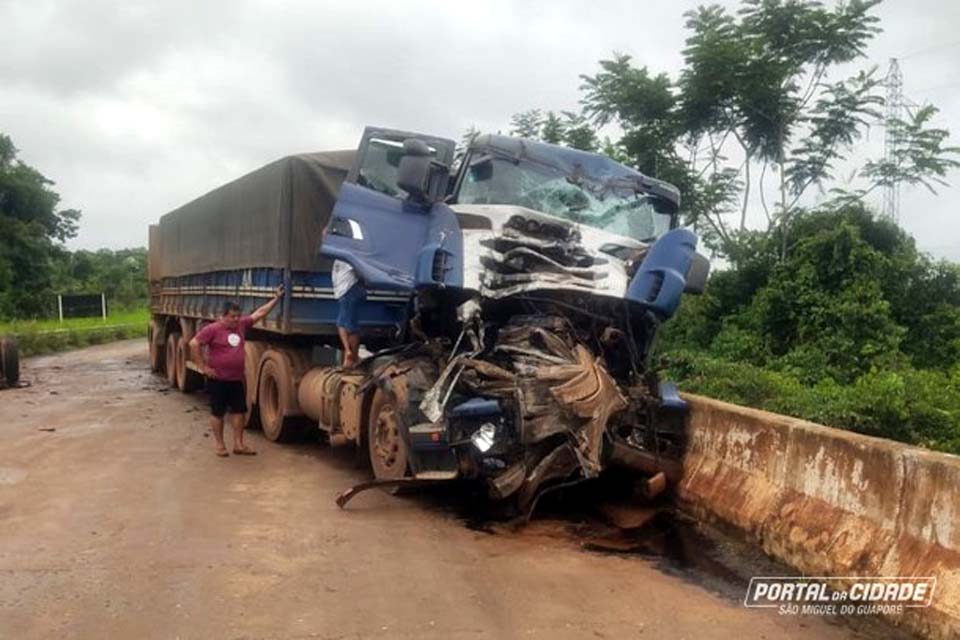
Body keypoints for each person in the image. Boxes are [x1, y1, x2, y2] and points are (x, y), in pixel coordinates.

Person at [189, 285, 284, 457]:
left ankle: (239, 444)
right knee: (217, 412)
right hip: (218, 379)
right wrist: (203, 367)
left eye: (237, 316)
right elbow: (194, 344)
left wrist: (276, 299)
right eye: (232, 317)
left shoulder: (241, 325)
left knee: (239, 411)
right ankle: (219, 445)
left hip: (236, 379)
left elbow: (260, 313)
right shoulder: (213, 329)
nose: (235, 319)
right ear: (223, 316)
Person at [332, 259, 365, 368]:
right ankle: (352, 356)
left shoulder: (338, 257)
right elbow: (362, 270)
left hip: (341, 292)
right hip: (349, 290)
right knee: (351, 327)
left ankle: (348, 350)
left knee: (341, 324)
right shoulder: (351, 256)